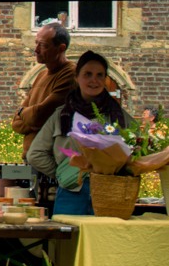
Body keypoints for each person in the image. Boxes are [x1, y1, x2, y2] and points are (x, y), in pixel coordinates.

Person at [27, 50, 126, 217]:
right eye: (87, 74)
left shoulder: (118, 116)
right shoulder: (61, 116)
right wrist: (64, 172)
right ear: (77, 78)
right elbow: (35, 154)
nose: (94, 80)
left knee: (104, 241)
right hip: (71, 194)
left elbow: (137, 148)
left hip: (109, 193)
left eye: (99, 75)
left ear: (105, 79)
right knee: (69, 242)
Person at [10, 22, 74, 160]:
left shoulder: (70, 74)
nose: (36, 50)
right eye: (36, 43)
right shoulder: (41, 75)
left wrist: (26, 114)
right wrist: (30, 117)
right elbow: (16, 123)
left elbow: (40, 116)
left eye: (43, 45)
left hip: (49, 160)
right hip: (30, 157)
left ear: (61, 48)